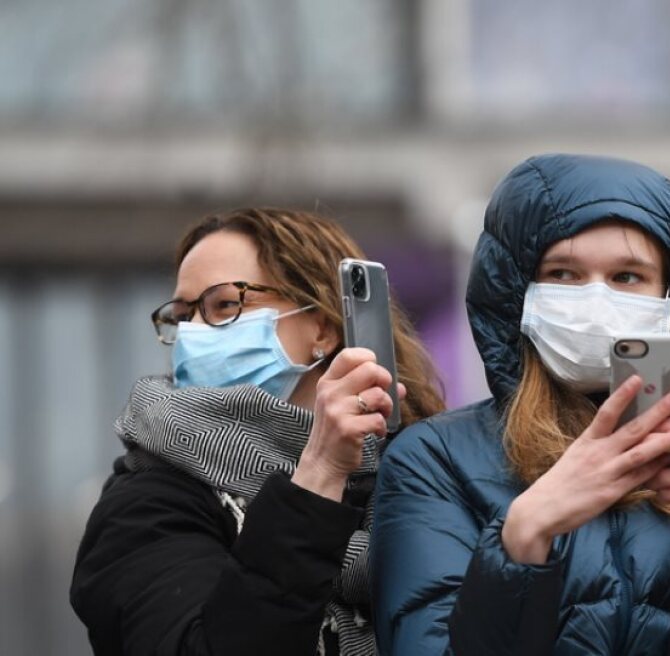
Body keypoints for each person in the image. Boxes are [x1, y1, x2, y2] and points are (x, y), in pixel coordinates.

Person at [371, 154, 670, 655]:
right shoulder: (435, 459)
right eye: (563, 274)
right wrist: (525, 532)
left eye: (628, 277)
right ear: (516, 292)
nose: (596, 301)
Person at [70, 208, 445, 655]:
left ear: (322, 326)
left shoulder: (423, 477)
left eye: (224, 305)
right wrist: (318, 475)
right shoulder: (146, 503)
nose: (193, 334)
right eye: (182, 316)